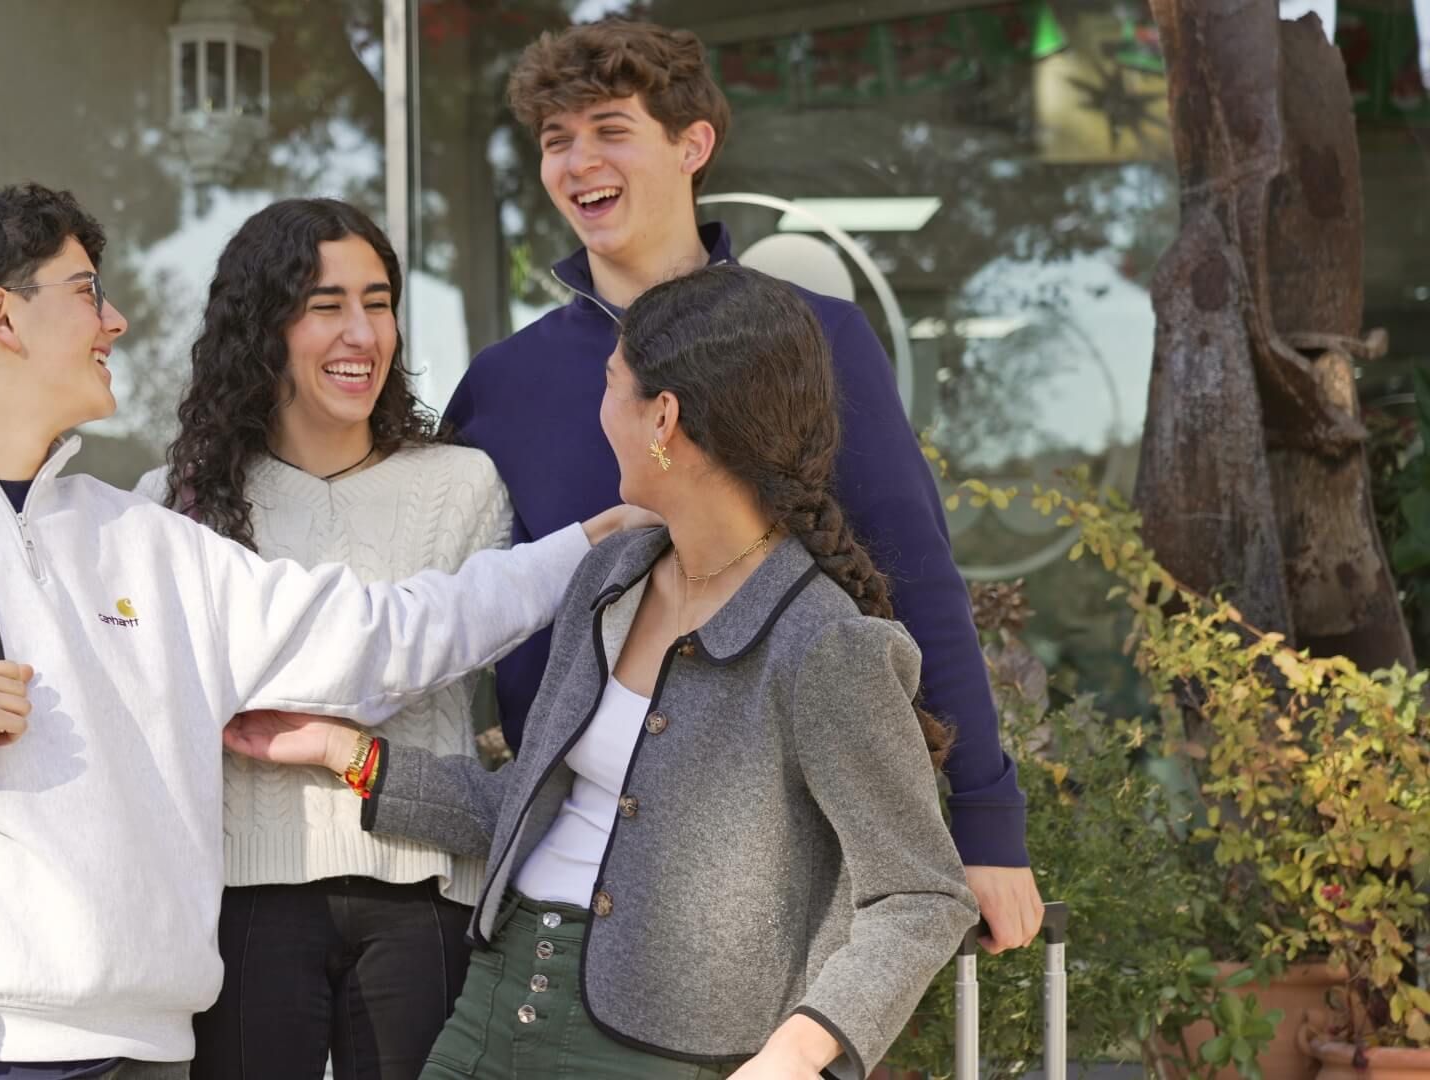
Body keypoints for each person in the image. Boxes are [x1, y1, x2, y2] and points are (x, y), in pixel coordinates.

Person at [0, 183, 648, 1080]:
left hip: (147, 1053)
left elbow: (384, 637)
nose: (115, 320)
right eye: (86, 292)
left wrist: (588, 546)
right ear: (1, 317)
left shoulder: (147, 540)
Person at [225, 263, 979, 1080]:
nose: (599, 411)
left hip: (666, 1054)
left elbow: (921, 895)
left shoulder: (823, 641)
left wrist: (794, 1055)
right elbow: (528, 806)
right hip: (492, 1009)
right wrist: (345, 753)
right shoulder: (611, 578)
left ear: (664, 417)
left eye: (612, 385)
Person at [439, 17, 1043, 951]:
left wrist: (986, 823)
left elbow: (916, 578)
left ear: (693, 145)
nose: (578, 161)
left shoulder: (819, 340)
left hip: (773, 878)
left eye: (609, 129)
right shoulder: (502, 384)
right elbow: (460, 612)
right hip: (557, 882)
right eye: (557, 139)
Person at [136, 198, 507, 1080]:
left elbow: (515, 705)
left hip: (425, 894)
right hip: (243, 899)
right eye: (325, 305)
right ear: (262, 329)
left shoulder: (463, 486)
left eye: (378, 303)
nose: (361, 334)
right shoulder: (174, 505)